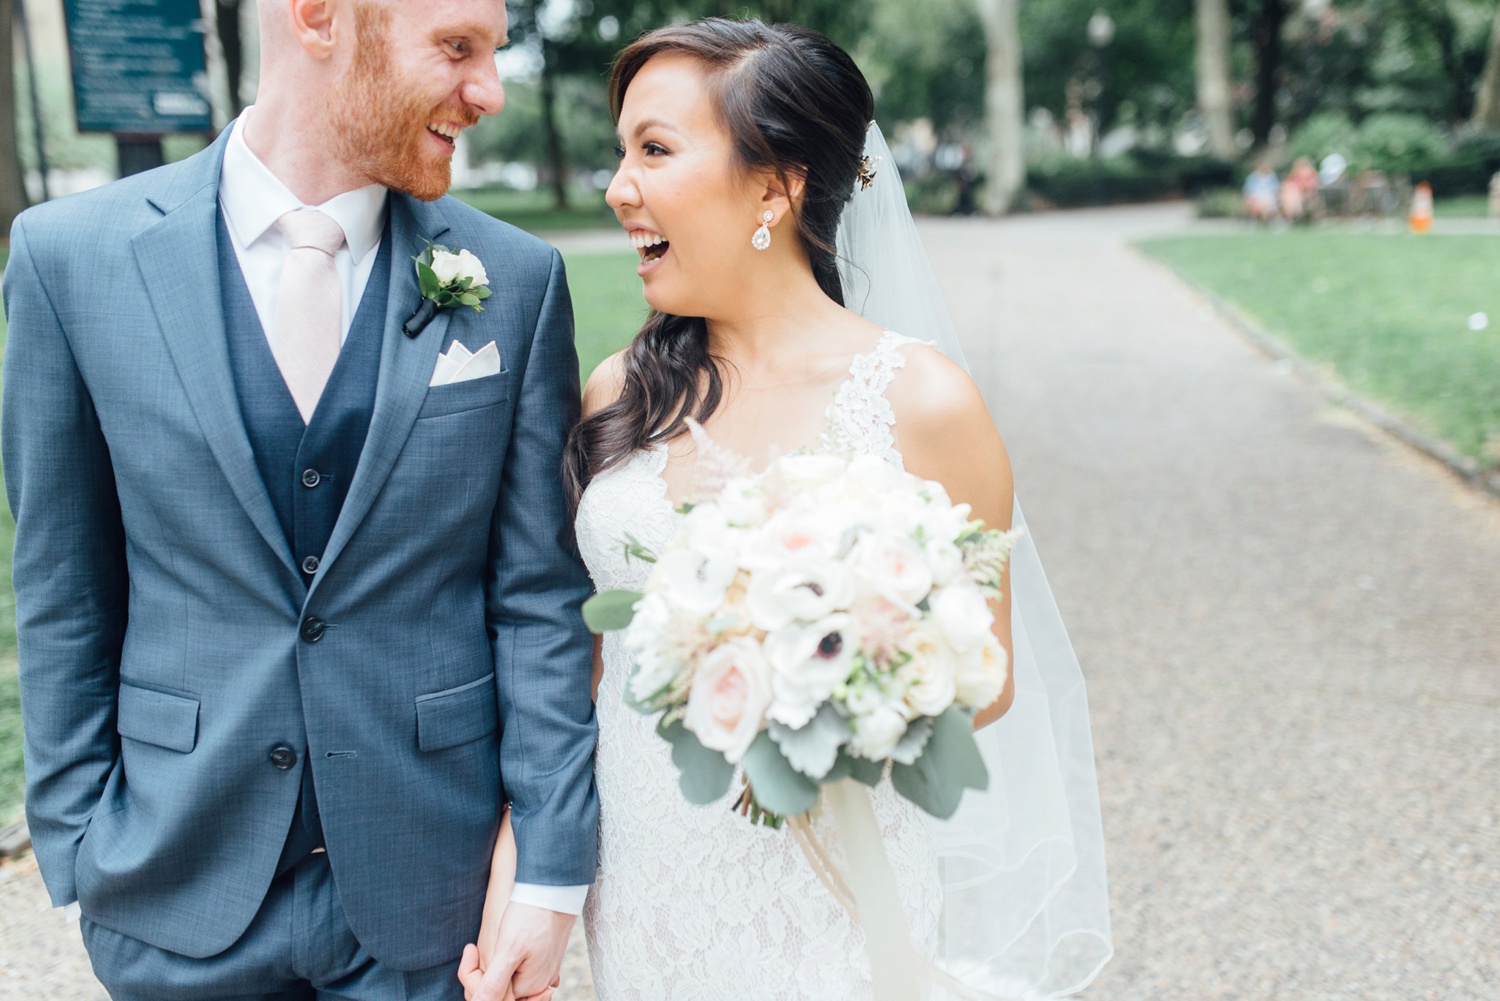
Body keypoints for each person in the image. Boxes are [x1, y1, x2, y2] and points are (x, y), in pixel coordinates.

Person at [2, 2, 595, 999]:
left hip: (433, 905)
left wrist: (547, 867)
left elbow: (537, 598)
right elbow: (62, 582)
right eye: (457, 48)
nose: (490, 90)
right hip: (173, 890)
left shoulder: (515, 278)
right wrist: (76, 841)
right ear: (320, 19)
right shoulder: (71, 258)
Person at [546, 18, 1110, 1000]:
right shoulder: (619, 392)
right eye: (621, 150)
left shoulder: (922, 402)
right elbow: (582, 663)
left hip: (834, 887)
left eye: (654, 149)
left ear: (776, 183)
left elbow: (992, 676)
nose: (617, 186)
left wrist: (820, 664)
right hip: (645, 881)